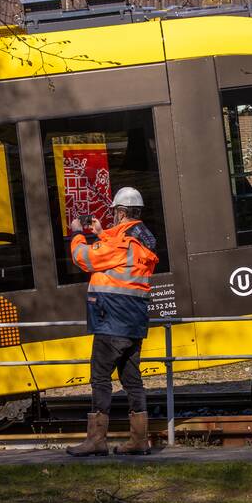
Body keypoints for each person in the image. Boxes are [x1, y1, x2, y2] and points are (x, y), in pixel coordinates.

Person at [66, 187, 160, 457]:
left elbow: (84, 259)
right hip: (133, 323)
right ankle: (139, 440)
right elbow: (116, 250)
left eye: (114, 214)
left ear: (120, 212)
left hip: (111, 322)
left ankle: (96, 440)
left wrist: (77, 233)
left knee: (100, 379)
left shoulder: (121, 245)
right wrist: (100, 232)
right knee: (132, 380)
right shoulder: (138, 242)